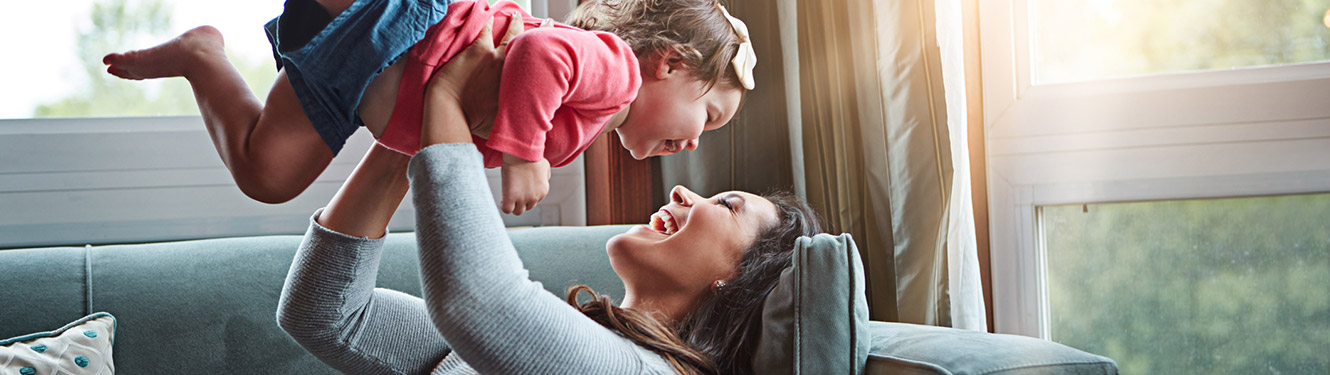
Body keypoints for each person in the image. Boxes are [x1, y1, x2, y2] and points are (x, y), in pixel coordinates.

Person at [276, 19, 820, 375]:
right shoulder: (575, 344)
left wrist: (444, 101)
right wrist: (414, 126)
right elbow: (328, 317)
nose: (683, 188)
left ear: (739, 277)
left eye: (727, 205)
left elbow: (480, 304)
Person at [101, 0, 757, 216]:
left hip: (361, 86)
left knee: (266, 174)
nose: (698, 143)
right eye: (711, 117)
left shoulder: (588, 124)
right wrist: (526, 157)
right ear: (669, 64)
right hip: (407, 24)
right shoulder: (614, 72)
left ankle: (201, 58)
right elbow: (539, 60)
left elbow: (458, 130)